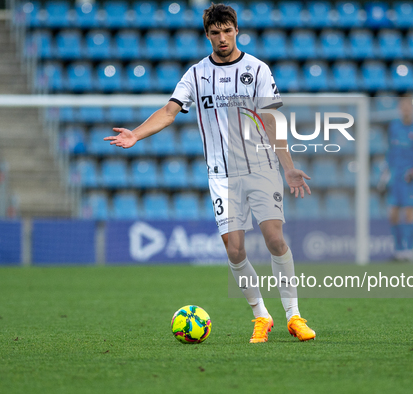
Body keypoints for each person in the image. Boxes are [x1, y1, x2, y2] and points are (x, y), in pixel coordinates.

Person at [104, 3, 316, 343]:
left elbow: (274, 122)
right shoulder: (196, 74)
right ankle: (261, 316)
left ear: (236, 30)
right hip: (222, 175)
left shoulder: (257, 70)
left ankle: (295, 316)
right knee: (234, 249)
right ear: (207, 35)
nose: (222, 38)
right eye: (215, 33)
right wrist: (136, 134)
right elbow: (169, 111)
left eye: (227, 31)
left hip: (261, 167)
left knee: (275, 239)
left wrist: (288, 169)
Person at [384, 96, 413, 261]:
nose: (405, 110)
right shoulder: (394, 127)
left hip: (411, 177)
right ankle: (398, 250)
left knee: (410, 212)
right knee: (393, 213)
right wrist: (386, 170)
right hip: (396, 176)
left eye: (408, 107)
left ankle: (410, 251)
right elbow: (391, 150)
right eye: (402, 107)